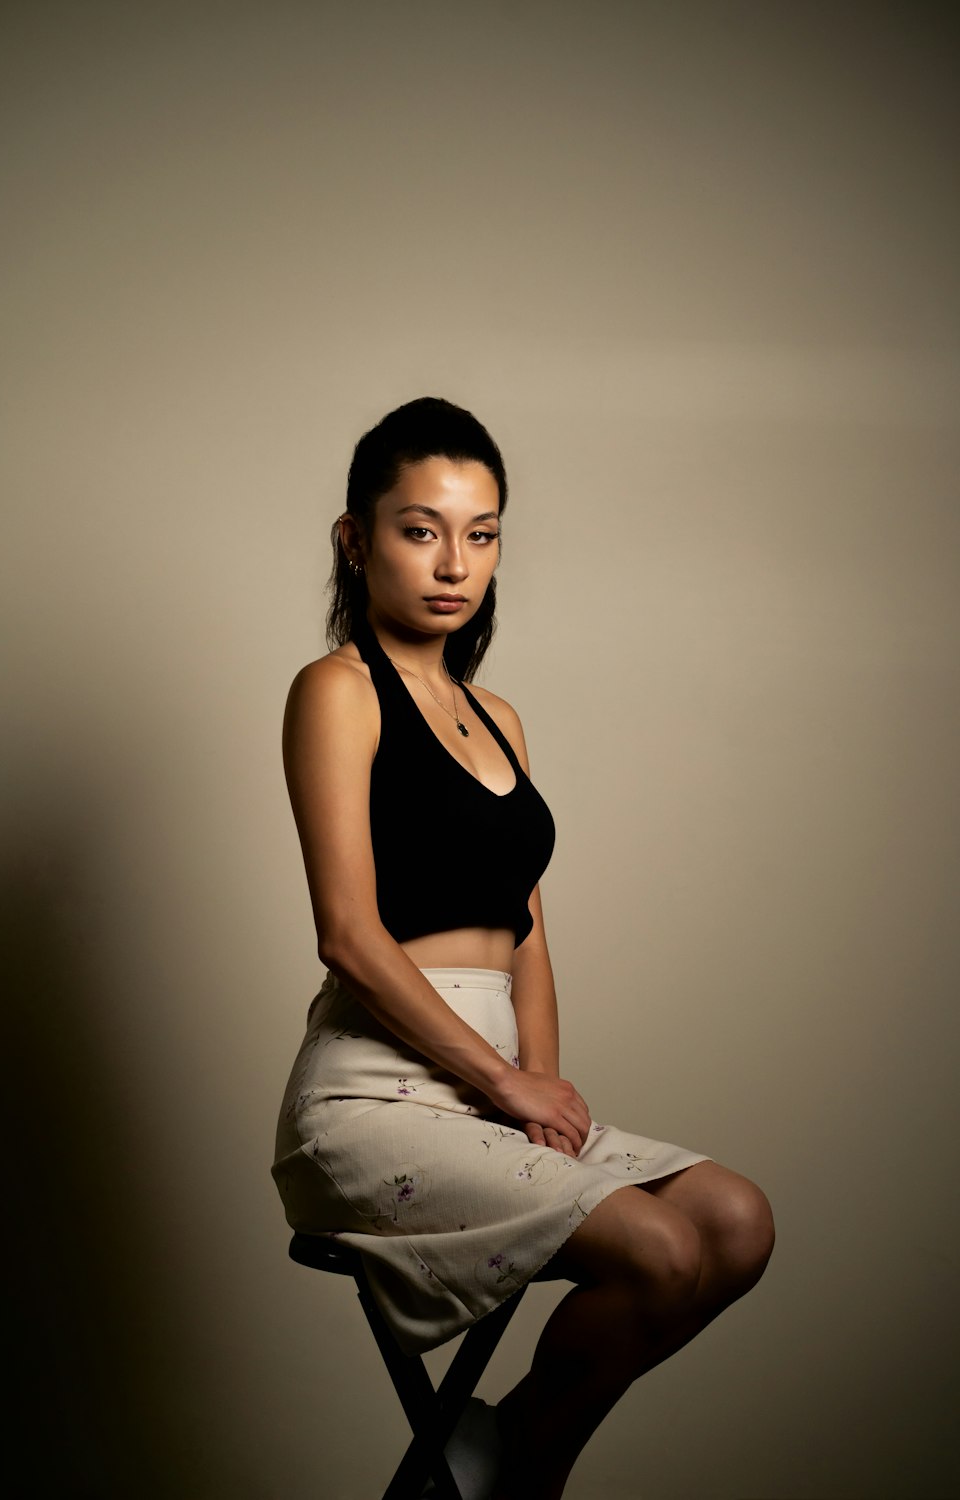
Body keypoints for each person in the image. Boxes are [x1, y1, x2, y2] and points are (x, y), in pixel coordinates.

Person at [272, 397, 775, 1500]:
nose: (455, 562)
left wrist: (535, 1083)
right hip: (374, 1101)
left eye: (482, 532)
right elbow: (349, 936)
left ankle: (497, 1452)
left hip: (490, 1091)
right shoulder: (337, 694)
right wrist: (500, 1077)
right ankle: (519, 1475)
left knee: (733, 1223)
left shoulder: (497, 713)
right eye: (420, 528)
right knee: (656, 1252)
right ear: (355, 541)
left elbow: (527, 929)